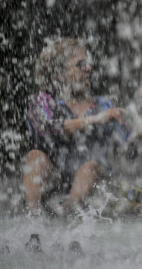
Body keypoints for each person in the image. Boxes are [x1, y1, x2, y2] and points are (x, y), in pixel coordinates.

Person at [23, 38, 132, 215]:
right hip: (55, 180)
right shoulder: (42, 101)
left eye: (87, 63)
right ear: (59, 74)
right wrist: (94, 120)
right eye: (80, 65)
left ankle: (67, 210)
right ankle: (32, 218)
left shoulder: (103, 105)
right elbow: (45, 129)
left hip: (95, 185)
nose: (88, 68)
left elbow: (130, 147)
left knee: (89, 167)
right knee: (35, 157)